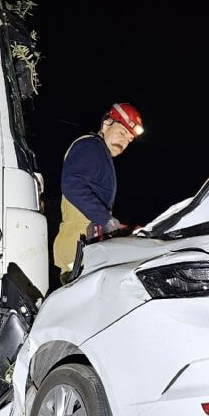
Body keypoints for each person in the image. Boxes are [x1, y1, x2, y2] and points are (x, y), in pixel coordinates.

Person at [52, 103, 144, 282]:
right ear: (106, 124)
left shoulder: (99, 153)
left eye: (129, 139)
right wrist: (107, 220)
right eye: (121, 133)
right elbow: (73, 186)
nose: (124, 142)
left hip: (83, 244)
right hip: (79, 245)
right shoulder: (91, 146)